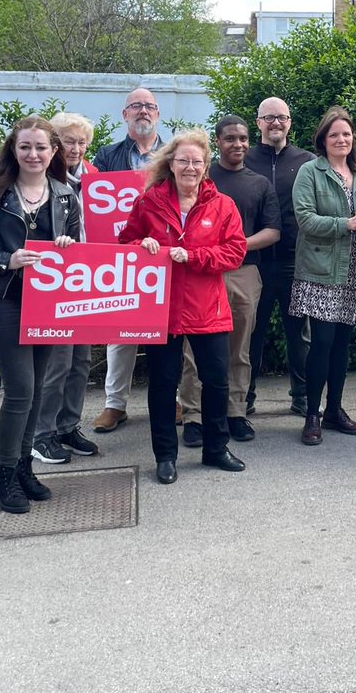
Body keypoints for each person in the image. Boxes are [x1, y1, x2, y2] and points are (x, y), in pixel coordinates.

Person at [0, 116, 81, 514]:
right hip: (4, 301)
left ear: (54, 152)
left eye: (41, 147)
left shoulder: (65, 194)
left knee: (38, 389)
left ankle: (24, 466)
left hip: (48, 303)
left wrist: (67, 245)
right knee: (21, 389)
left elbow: (78, 247)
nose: (33, 154)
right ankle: (4, 474)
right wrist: (5, 260)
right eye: (25, 146)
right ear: (13, 149)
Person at [118, 130, 248, 484]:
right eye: (183, 161)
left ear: (206, 167)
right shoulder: (148, 202)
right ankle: (165, 456)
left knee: (216, 383)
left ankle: (215, 449)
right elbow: (124, 244)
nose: (190, 167)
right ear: (170, 165)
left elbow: (234, 252)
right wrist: (140, 245)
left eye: (197, 161)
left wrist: (193, 256)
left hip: (208, 308)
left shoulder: (223, 205)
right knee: (162, 384)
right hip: (161, 309)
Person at [178, 116, 280, 446]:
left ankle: (235, 413)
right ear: (217, 142)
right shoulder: (203, 179)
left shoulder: (260, 183)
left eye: (242, 138)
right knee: (194, 350)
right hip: (201, 274)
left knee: (240, 348)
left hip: (245, 272)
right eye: (229, 139)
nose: (237, 144)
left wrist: (232, 246)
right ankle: (193, 416)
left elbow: (272, 231)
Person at [290, 107, 356, 446]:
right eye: (334, 135)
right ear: (323, 140)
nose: (341, 139)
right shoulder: (310, 172)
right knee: (322, 343)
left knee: (342, 345)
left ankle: (335, 410)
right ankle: (312, 414)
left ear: (353, 139)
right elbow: (305, 219)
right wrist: (346, 224)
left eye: (346, 134)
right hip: (321, 271)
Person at [91, 88, 165, 434]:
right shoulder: (106, 156)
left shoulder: (174, 154)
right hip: (122, 255)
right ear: (124, 114)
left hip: (164, 255)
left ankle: (172, 398)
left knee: (168, 332)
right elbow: (94, 207)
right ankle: (114, 404)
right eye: (136, 106)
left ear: (158, 114)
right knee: (120, 333)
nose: (143, 111)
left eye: (149, 106)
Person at [31, 112, 100, 464]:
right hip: (54, 281)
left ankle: (67, 425)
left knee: (80, 359)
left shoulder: (97, 179)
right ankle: (41, 434)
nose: (75, 148)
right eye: (68, 141)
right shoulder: (39, 179)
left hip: (90, 279)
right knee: (56, 361)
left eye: (81, 142)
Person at [246, 97, 316, 417]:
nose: (276, 123)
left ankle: (302, 396)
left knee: (298, 334)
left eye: (282, 117)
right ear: (258, 122)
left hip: (294, 261)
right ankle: (243, 397)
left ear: (290, 122)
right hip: (253, 263)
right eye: (269, 117)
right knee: (250, 334)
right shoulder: (242, 161)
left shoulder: (308, 161)